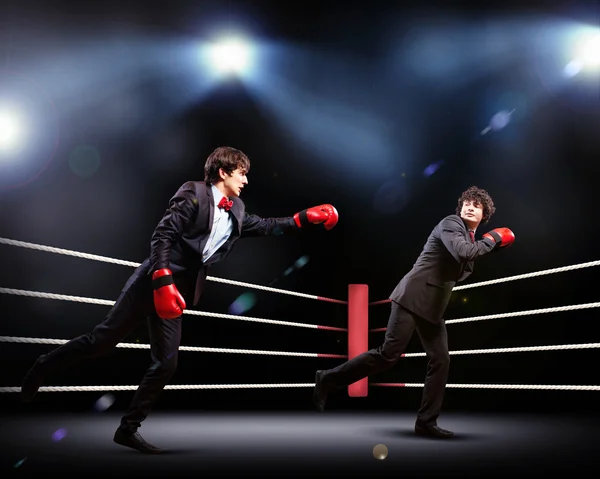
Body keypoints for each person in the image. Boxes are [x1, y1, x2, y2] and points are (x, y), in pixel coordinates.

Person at [20, 146, 339, 453]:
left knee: (166, 363)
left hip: (178, 296)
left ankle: (127, 430)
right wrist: (162, 281)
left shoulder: (237, 210)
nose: (245, 180)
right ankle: (43, 366)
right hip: (153, 283)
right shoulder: (193, 193)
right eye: (241, 173)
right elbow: (163, 236)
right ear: (224, 172)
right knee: (101, 341)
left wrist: (303, 219)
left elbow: (267, 226)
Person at [312, 185, 514, 438]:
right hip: (412, 296)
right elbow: (463, 253)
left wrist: (487, 244)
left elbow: (462, 267)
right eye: (466, 203)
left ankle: (426, 422)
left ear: (484, 215)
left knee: (441, 360)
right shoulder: (450, 224)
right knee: (388, 354)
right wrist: (493, 239)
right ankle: (328, 378)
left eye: (476, 205)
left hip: (433, 306)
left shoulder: (470, 238)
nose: (469, 207)